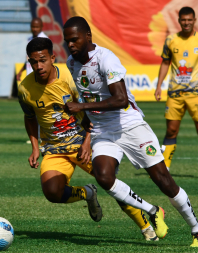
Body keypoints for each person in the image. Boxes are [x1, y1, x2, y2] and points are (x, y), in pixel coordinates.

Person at [63, 16, 198, 247]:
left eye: (74, 39)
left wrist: (82, 107)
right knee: (104, 177)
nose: (70, 45)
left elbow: (120, 100)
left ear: (87, 36)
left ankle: (197, 230)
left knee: (163, 180)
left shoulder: (106, 58)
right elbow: (88, 95)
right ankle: (152, 210)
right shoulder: (72, 62)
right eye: (67, 41)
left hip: (129, 125)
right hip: (103, 130)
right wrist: (85, 121)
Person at [18, 37, 159, 241]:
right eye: (33, 62)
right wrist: (35, 147)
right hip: (54, 149)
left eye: (43, 60)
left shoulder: (69, 79)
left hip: (83, 144)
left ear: (52, 58)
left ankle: (145, 225)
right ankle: (87, 193)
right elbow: (29, 117)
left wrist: (86, 142)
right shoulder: (25, 88)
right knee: (52, 192)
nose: (38, 66)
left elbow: (92, 110)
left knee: (110, 183)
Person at [154, 6, 198, 180]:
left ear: (194, 20)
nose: (187, 22)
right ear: (179, 21)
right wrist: (158, 85)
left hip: (196, 93)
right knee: (171, 131)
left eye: (190, 20)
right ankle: (165, 169)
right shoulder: (171, 40)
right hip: (175, 94)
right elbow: (165, 63)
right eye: (184, 20)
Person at [16, 17, 48, 82]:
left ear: (41, 27)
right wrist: (21, 71)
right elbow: (29, 59)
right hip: (30, 75)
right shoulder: (29, 39)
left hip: (40, 76)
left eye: (37, 27)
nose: (35, 29)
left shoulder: (44, 40)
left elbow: (47, 60)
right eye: (33, 27)